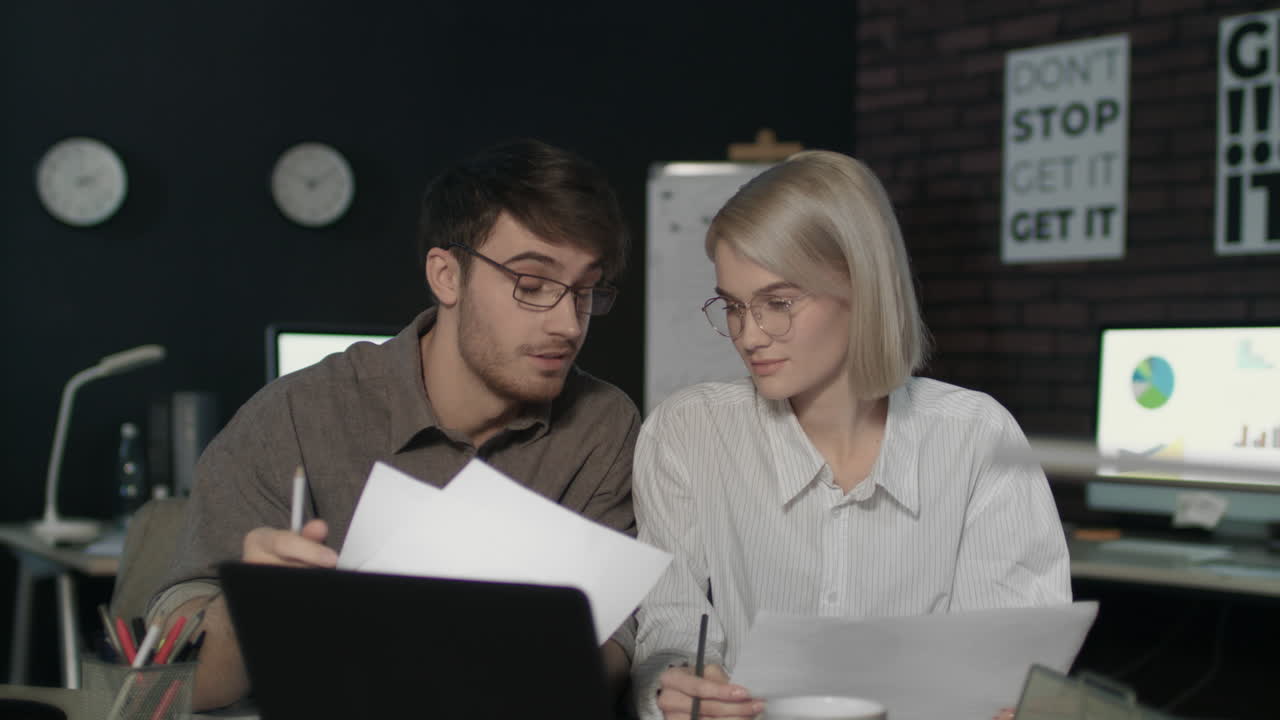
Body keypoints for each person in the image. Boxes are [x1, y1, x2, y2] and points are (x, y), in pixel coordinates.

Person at [148, 139, 640, 711]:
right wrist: (246, 608)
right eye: (531, 287)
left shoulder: (603, 427)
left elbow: (614, 656)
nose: (567, 324)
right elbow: (180, 686)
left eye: (585, 292)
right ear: (447, 275)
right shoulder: (294, 416)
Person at [631, 150, 1071, 720]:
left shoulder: (976, 437)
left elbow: (1007, 666)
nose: (748, 335)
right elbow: (667, 628)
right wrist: (675, 687)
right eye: (734, 306)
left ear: (861, 284)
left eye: (778, 303)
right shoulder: (687, 432)